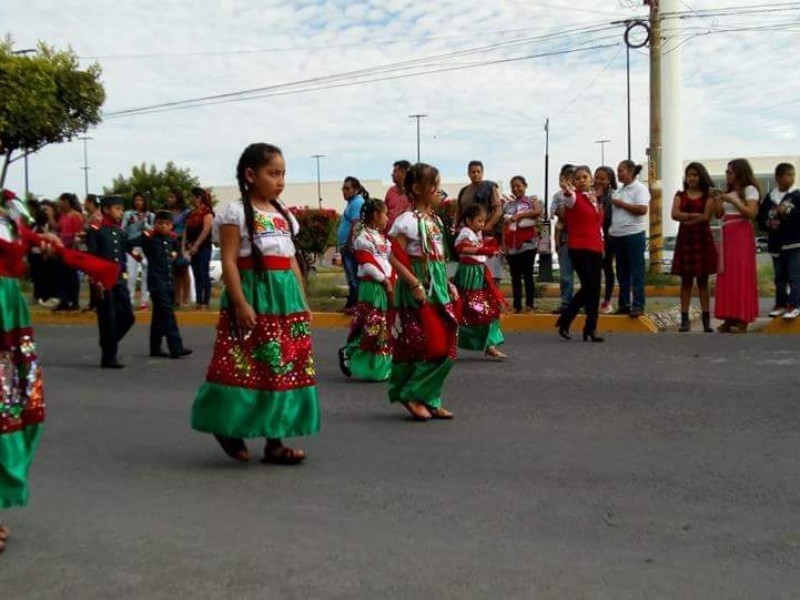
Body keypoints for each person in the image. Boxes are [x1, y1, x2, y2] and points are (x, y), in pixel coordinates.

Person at [191, 143, 319, 465]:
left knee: (280, 369)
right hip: (254, 298)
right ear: (251, 175)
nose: (280, 180)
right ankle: (226, 426)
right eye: (273, 173)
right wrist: (240, 303)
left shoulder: (284, 215)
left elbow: (290, 262)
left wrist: (302, 302)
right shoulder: (234, 213)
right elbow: (231, 262)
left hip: (284, 302)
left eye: (283, 174)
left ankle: (275, 443)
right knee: (243, 366)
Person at [387, 162, 458, 421]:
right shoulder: (408, 221)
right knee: (425, 344)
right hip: (418, 287)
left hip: (436, 285)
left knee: (446, 343)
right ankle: (413, 393)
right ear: (417, 188)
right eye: (435, 186)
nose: (439, 191)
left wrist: (448, 283)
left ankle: (429, 396)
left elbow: (437, 259)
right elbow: (394, 256)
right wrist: (414, 284)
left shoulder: (435, 221)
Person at [338, 198, 394, 381]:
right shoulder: (363, 238)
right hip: (372, 286)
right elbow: (367, 264)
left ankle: (378, 366)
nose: (387, 217)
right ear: (376, 215)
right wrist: (384, 281)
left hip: (383, 285)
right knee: (371, 324)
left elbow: (388, 262)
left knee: (381, 326)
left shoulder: (383, 239)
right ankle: (349, 350)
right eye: (385, 213)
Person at [128, 211, 193, 359]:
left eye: (167, 224)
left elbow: (176, 257)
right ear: (155, 224)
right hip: (156, 282)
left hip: (169, 281)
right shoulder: (148, 237)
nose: (163, 226)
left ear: (171, 226)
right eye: (160, 223)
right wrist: (136, 256)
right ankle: (176, 347)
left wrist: (181, 258)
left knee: (159, 316)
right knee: (168, 314)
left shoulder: (172, 239)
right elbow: (128, 243)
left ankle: (155, 347)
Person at [555, 166, 605, 343]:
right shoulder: (573, 197)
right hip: (578, 247)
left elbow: (598, 226)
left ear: (591, 179)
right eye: (578, 178)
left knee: (594, 288)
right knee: (590, 285)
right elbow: (569, 197)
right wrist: (568, 190)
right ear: (574, 182)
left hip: (596, 248)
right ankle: (567, 319)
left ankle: (590, 328)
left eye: (585, 177)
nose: (582, 180)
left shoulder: (594, 200)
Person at [86, 195, 136, 368]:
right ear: (106, 210)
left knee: (128, 316)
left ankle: (108, 343)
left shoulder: (120, 232)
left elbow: (121, 256)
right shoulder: (95, 230)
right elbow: (91, 257)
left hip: (119, 279)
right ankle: (109, 356)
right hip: (103, 281)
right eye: (117, 209)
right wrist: (95, 280)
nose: (120, 213)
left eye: (121, 209)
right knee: (108, 318)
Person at [713, 159, 761, 333]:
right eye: (726, 172)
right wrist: (718, 200)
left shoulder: (750, 190)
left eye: (730, 172)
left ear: (740, 173)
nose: (727, 175)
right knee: (727, 275)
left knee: (741, 274)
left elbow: (750, 213)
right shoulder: (730, 191)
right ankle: (729, 316)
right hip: (727, 233)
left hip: (741, 233)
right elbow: (718, 214)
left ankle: (743, 318)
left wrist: (733, 201)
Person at [670, 162, 719, 332]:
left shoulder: (708, 196)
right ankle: (685, 320)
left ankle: (706, 320)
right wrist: (692, 215)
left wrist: (687, 219)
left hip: (702, 239)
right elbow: (674, 214)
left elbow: (706, 217)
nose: (691, 178)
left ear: (701, 176)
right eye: (689, 175)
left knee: (703, 281)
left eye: (695, 175)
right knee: (686, 281)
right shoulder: (680, 195)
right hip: (685, 239)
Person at [454, 204, 507, 359]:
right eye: (479, 221)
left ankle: (489, 344)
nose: (482, 224)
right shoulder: (465, 233)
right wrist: (485, 250)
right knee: (469, 310)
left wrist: (488, 250)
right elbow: (462, 249)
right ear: (469, 220)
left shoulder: (476, 233)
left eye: (484, 221)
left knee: (489, 309)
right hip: (468, 276)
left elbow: (477, 251)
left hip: (479, 274)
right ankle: (451, 344)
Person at [758, 163, 800, 320]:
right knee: (779, 277)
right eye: (788, 175)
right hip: (776, 243)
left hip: (794, 242)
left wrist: (787, 210)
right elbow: (760, 220)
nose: (791, 178)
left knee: (794, 276)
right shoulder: (769, 198)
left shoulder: (796, 195)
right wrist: (769, 224)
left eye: (793, 174)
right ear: (778, 177)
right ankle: (781, 305)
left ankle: (795, 305)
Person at [609, 160, 650, 317]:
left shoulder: (639, 188)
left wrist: (620, 203)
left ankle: (638, 305)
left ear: (631, 171)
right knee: (622, 272)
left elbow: (642, 209)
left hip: (633, 235)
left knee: (636, 272)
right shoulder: (619, 190)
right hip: (618, 236)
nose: (618, 174)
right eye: (617, 171)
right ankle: (624, 304)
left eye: (621, 171)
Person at [456, 161, 504, 285]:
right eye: (473, 172)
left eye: (478, 172)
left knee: (491, 274)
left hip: (488, 235)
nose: (476, 174)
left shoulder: (489, 187)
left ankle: (493, 303)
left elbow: (498, 210)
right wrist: (455, 227)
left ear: (482, 173)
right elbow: (458, 212)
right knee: (471, 269)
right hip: (469, 236)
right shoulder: (464, 191)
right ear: (468, 173)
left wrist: (488, 226)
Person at [502, 175, 541, 313]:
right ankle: (517, 306)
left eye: (519, 185)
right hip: (512, 246)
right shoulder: (508, 205)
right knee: (515, 278)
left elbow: (537, 212)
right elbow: (504, 226)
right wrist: (504, 245)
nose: (516, 188)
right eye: (513, 186)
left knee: (528, 276)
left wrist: (519, 216)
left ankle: (529, 305)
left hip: (528, 244)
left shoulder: (531, 201)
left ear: (525, 186)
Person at [337, 176, 367, 314]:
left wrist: (349, 243)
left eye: (347, 188)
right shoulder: (351, 203)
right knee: (351, 277)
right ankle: (351, 304)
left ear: (356, 189)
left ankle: (356, 305)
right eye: (343, 188)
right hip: (346, 246)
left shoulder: (357, 202)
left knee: (354, 277)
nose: (344, 191)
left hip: (351, 247)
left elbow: (357, 224)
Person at [121, 192, 154, 311]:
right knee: (131, 275)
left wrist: (144, 223)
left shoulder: (150, 215)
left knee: (146, 274)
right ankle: (129, 300)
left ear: (145, 201)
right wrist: (130, 222)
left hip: (146, 247)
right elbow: (122, 230)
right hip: (132, 247)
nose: (138, 202)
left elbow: (153, 231)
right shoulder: (128, 214)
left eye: (140, 200)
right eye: (136, 200)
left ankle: (144, 302)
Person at [550, 164, 576, 313]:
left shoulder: (582, 194)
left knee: (584, 274)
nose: (569, 181)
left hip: (580, 236)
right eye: (565, 178)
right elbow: (555, 212)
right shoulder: (558, 195)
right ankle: (566, 302)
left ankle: (584, 303)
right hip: (564, 234)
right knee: (565, 274)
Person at [185, 187, 215, 311]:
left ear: (198, 197)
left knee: (204, 274)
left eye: (192, 196)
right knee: (196, 275)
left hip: (203, 247)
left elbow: (206, 230)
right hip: (192, 248)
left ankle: (205, 302)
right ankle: (198, 301)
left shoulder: (207, 212)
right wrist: (188, 246)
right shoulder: (191, 214)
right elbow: (187, 231)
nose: (191, 199)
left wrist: (196, 245)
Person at [54, 192, 84, 311]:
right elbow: (58, 228)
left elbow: (78, 233)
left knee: (72, 276)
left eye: (61, 201)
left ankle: (75, 301)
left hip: (72, 249)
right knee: (61, 276)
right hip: (62, 249)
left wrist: (73, 248)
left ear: (67, 202)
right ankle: (64, 301)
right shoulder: (62, 215)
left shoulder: (76, 215)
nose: (60, 203)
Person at [594, 166, 618, 314]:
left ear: (609, 180)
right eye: (597, 177)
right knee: (592, 272)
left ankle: (607, 301)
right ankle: (591, 301)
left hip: (609, 238)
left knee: (607, 269)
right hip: (592, 237)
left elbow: (610, 217)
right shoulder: (590, 194)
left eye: (602, 178)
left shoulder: (613, 195)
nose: (599, 181)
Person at [28, 199, 59, 306]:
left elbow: (52, 240)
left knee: (46, 277)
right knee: (37, 277)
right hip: (34, 255)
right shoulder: (33, 226)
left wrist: (47, 253)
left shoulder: (49, 227)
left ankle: (46, 296)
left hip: (46, 254)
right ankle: (38, 296)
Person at [166, 190, 192, 307]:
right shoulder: (167, 211)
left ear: (178, 197)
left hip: (182, 242)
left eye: (171, 196)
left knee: (184, 271)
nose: (169, 199)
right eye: (168, 197)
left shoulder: (186, 212)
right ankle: (176, 299)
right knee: (175, 272)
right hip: (170, 242)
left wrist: (187, 243)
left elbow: (188, 228)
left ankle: (185, 299)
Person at [384, 160, 411, 233]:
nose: (392, 174)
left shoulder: (413, 193)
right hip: (389, 236)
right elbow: (384, 213)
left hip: (404, 236)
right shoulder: (390, 191)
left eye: (395, 171)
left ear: (403, 172)